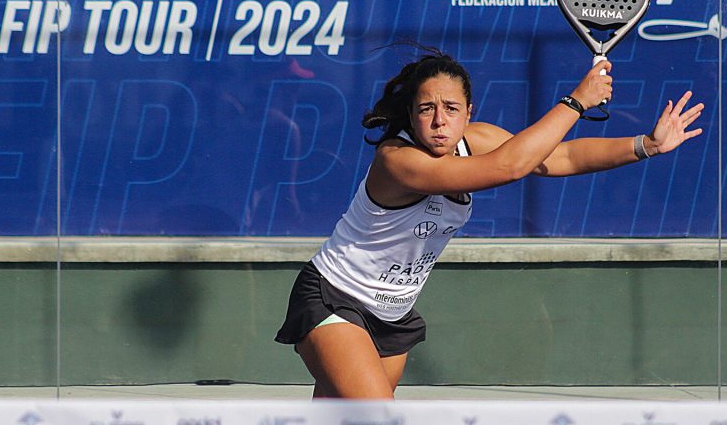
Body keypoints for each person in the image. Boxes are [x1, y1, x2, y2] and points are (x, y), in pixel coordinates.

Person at [274, 49, 704, 399]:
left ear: (468, 112)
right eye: (426, 109)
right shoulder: (398, 161)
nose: (440, 120)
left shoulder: (474, 139)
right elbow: (512, 165)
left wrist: (645, 145)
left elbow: (559, 158)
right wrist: (577, 101)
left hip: (392, 315)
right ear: (411, 113)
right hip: (334, 297)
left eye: (451, 108)